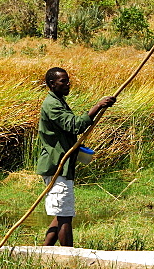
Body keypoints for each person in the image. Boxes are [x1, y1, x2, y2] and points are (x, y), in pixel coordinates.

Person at [36, 67, 115, 246]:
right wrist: (98, 106)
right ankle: (70, 257)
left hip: (64, 166)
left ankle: (45, 251)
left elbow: (68, 130)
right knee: (65, 216)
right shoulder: (52, 104)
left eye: (68, 80)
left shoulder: (59, 101)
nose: (67, 84)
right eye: (63, 81)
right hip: (57, 166)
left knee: (62, 212)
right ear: (51, 84)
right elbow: (74, 125)